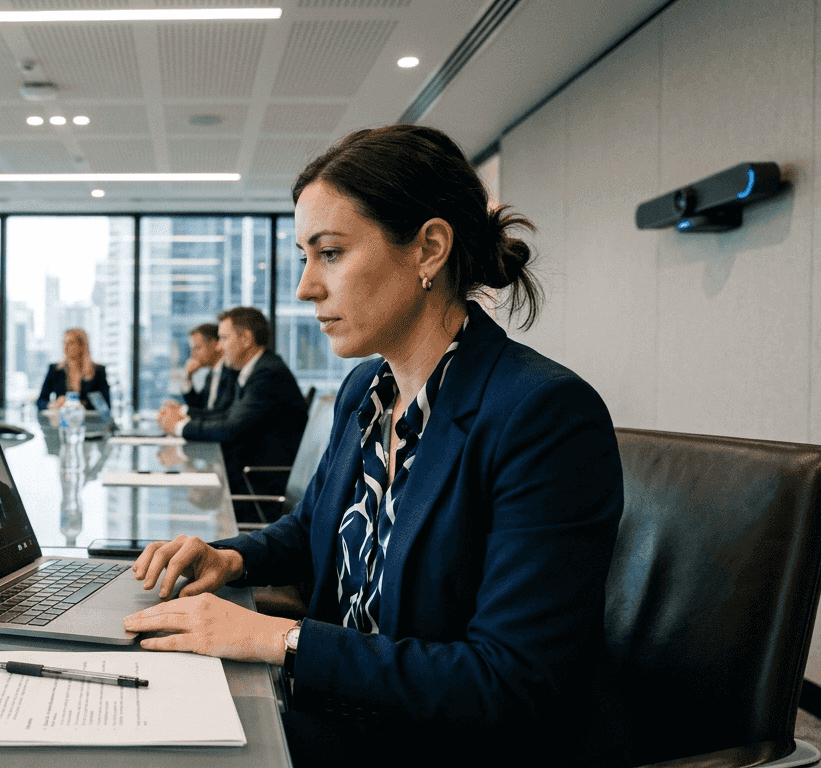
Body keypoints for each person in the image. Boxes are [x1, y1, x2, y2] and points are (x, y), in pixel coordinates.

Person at [125, 125, 626, 768]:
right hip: (343, 712)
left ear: (429, 249)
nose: (306, 287)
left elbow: (509, 681)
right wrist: (231, 559)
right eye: (306, 256)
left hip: (438, 745)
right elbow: (314, 529)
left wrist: (280, 637)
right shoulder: (368, 388)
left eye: (329, 253)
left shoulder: (543, 415)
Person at [157, 307, 307, 518]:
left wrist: (179, 426)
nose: (220, 346)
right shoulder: (256, 370)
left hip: (256, 483)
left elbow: (230, 428)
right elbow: (227, 416)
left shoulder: (268, 374)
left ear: (246, 338)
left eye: (224, 338)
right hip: (246, 472)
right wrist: (181, 420)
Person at [159, 321, 237, 429]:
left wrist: (182, 410)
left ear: (215, 344)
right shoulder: (211, 375)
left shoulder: (232, 373)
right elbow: (198, 407)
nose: (193, 354)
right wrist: (188, 377)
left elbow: (221, 413)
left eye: (197, 348)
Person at [36, 328, 111, 411]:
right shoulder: (55, 370)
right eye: (64, 343)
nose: (66, 347)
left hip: (90, 422)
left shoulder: (98, 371)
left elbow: (105, 406)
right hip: (62, 421)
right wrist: (53, 405)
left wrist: (79, 404)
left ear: (82, 346)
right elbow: (41, 401)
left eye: (71, 343)